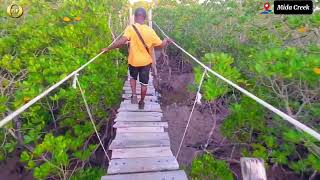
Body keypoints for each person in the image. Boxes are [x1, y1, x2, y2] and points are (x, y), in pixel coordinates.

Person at [101, 7, 172, 109]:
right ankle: (142, 102)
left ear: (134, 17)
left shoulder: (130, 28)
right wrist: (166, 40)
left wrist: (108, 48)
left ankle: (134, 96)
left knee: (133, 78)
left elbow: (121, 42)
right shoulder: (150, 30)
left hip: (133, 61)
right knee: (144, 84)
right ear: (145, 18)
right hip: (146, 63)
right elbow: (160, 45)